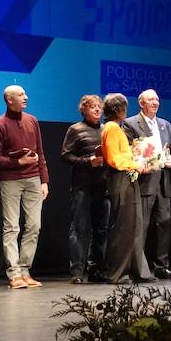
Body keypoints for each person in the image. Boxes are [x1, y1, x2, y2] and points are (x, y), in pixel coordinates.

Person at [0, 84, 49, 289]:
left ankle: (25, 270)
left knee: (34, 226)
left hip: (33, 180)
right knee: (12, 227)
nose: (26, 97)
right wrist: (17, 163)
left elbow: (40, 153)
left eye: (25, 93)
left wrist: (44, 180)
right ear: (9, 100)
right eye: (21, 94)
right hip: (11, 180)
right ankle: (14, 274)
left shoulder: (32, 121)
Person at [123, 89, 171, 279]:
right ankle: (138, 267)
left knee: (164, 223)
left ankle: (161, 266)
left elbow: (170, 150)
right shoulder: (130, 124)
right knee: (142, 225)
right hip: (145, 181)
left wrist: (170, 159)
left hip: (163, 182)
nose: (155, 102)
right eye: (150, 100)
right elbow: (130, 151)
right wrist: (146, 159)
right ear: (141, 103)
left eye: (157, 99)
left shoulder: (165, 124)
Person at [100, 92, 152, 284]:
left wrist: (137, 156)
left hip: (126, 178)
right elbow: (114, 158)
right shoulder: (112, 128)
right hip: (120, 179)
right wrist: (134, 165)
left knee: (132, 225)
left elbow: (122, 154)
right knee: (123, 227)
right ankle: (117, 273)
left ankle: (132, 270)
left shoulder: (115, 127)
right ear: (119, 110)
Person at [60, 94, 109, 284]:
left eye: (99, 107)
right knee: (79, 228)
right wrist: (87, 162)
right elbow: (65, 156)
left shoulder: (107, 129)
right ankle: (78, 271)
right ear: (84, 110)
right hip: (82, 185)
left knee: (101, 230)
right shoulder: (76, 129)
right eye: (92, 107)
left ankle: (96, 269)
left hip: (103, 185)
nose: (97, 110)